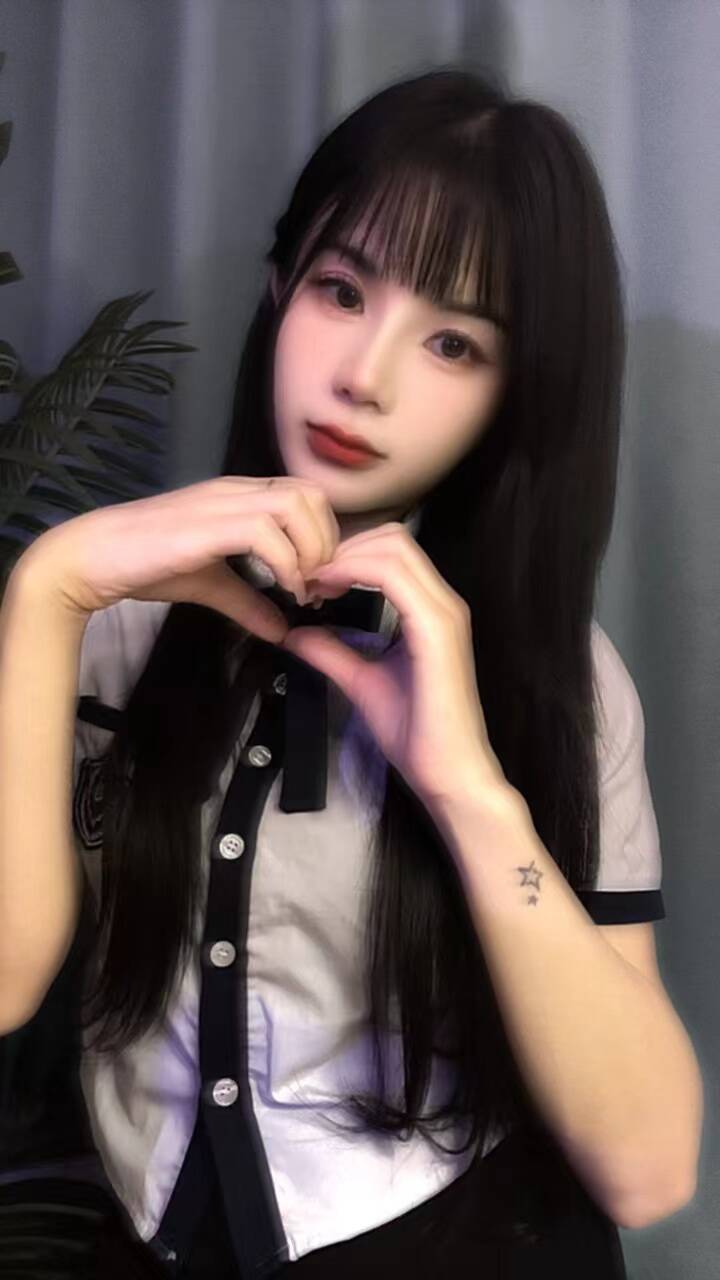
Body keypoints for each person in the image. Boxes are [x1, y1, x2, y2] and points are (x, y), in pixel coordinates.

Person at [0, 65, 700, 1279]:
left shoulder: (563, 682)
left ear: (514, 396)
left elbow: (648, 1167)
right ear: (280, 289)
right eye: (341, 289)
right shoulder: (110, 627)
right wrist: (47, 588)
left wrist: (469, 791)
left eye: (453, 342)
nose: (364, 376)